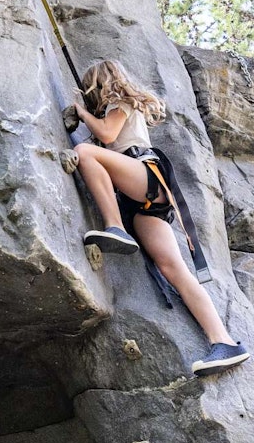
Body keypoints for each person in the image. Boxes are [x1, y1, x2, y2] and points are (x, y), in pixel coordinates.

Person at [71, 59, 248, 378]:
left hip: (143, 174)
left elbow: (109, 137)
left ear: (101, 83)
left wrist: (82, 113)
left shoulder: (120, 100)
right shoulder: (120, 107)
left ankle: (115, 227)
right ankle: (223, 342)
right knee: (173, 268)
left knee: (86, 153)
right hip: (143, 198)